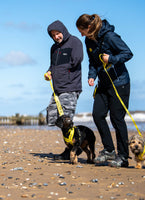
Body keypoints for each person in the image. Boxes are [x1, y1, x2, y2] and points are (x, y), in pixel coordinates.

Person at [76, 14, 133, 167]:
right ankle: (109, 150)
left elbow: (127, 53)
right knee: (98, 114)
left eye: (81, 30)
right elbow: (93, 62)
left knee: (116, 119)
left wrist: (112, 59)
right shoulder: (88, 40)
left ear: (89, 27)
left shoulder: (110, 37)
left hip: (119, 83)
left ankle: (123, 157)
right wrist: (91, 76)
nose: (80, 34)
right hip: (103, 83)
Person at [44, 20, 83, 160]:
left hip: (71, 86)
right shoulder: (53, 48)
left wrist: (61, 70)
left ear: (63, 31)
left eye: (58, 33)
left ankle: (72, 149)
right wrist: (49, 72)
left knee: (66, 120)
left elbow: (77, 59)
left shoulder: (75, 42)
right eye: (53, 35)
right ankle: (76, 143)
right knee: (53, 117)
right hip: (57, 88)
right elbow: (52, 65)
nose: (56, 37)